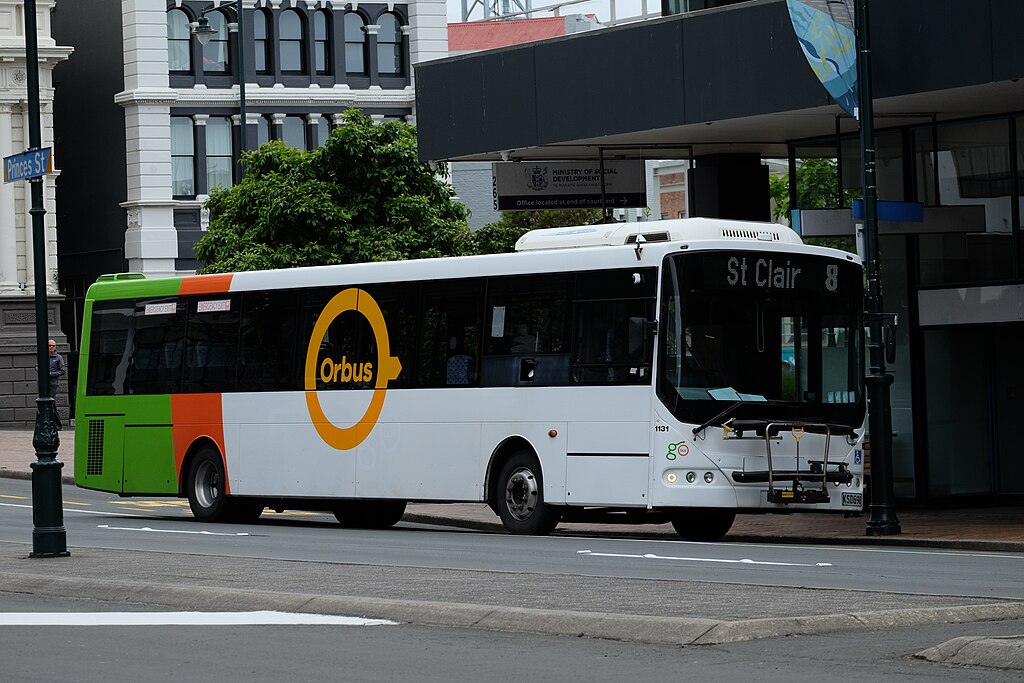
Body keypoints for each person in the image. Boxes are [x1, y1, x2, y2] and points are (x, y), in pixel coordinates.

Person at [48, 339, 66, 430]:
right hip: (43, 384)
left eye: (53, 346)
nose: (51, 347)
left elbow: (62, 371)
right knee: (49, 404)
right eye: (50, 345)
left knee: (50, 403)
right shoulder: (43, 357)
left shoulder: (58, 358)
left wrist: (50, 374)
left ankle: (58, 425)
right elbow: (36, 366)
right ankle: (54, 424)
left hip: (52, 384)